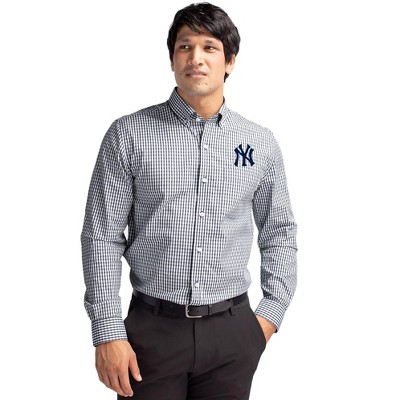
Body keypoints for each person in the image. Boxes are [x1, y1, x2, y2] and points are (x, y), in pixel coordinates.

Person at [81, 3, 297, 399]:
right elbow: (101, 236)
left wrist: (267, 317)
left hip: (233, 332)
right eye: (185, 47)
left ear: (230, 61)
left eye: (209, 47)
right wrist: (107, 332)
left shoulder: (260, 142)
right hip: (151, 332)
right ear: (172, 59)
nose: (195, 57)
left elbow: (279, 231)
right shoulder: (128, 134)